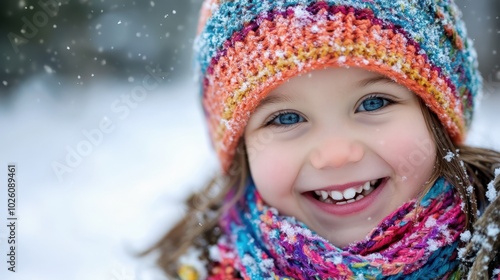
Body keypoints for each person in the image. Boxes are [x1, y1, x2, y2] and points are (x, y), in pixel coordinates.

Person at [143, 0, 500, 279]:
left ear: (439, 118)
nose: (336, 155)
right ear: (242, 152)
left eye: (372, 103)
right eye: (286, 118)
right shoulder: (205, 268)